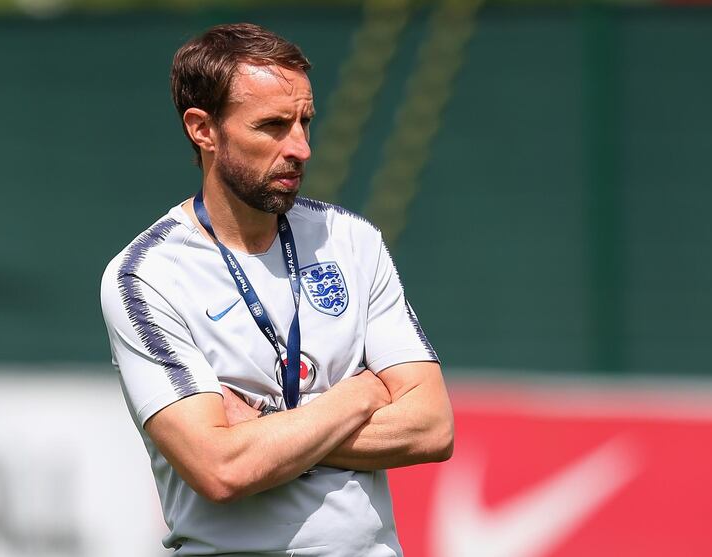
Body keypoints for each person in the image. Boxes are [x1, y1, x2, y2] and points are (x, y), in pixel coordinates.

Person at [100, 22, 454, 557]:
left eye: (305, 122)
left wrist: (267, 430)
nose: (301, 148)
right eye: (272, 126)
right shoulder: (146, 275)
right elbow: (221, 469)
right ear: (203, 129)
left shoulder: (351, 239)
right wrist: (358, 395)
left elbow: (431, 427)